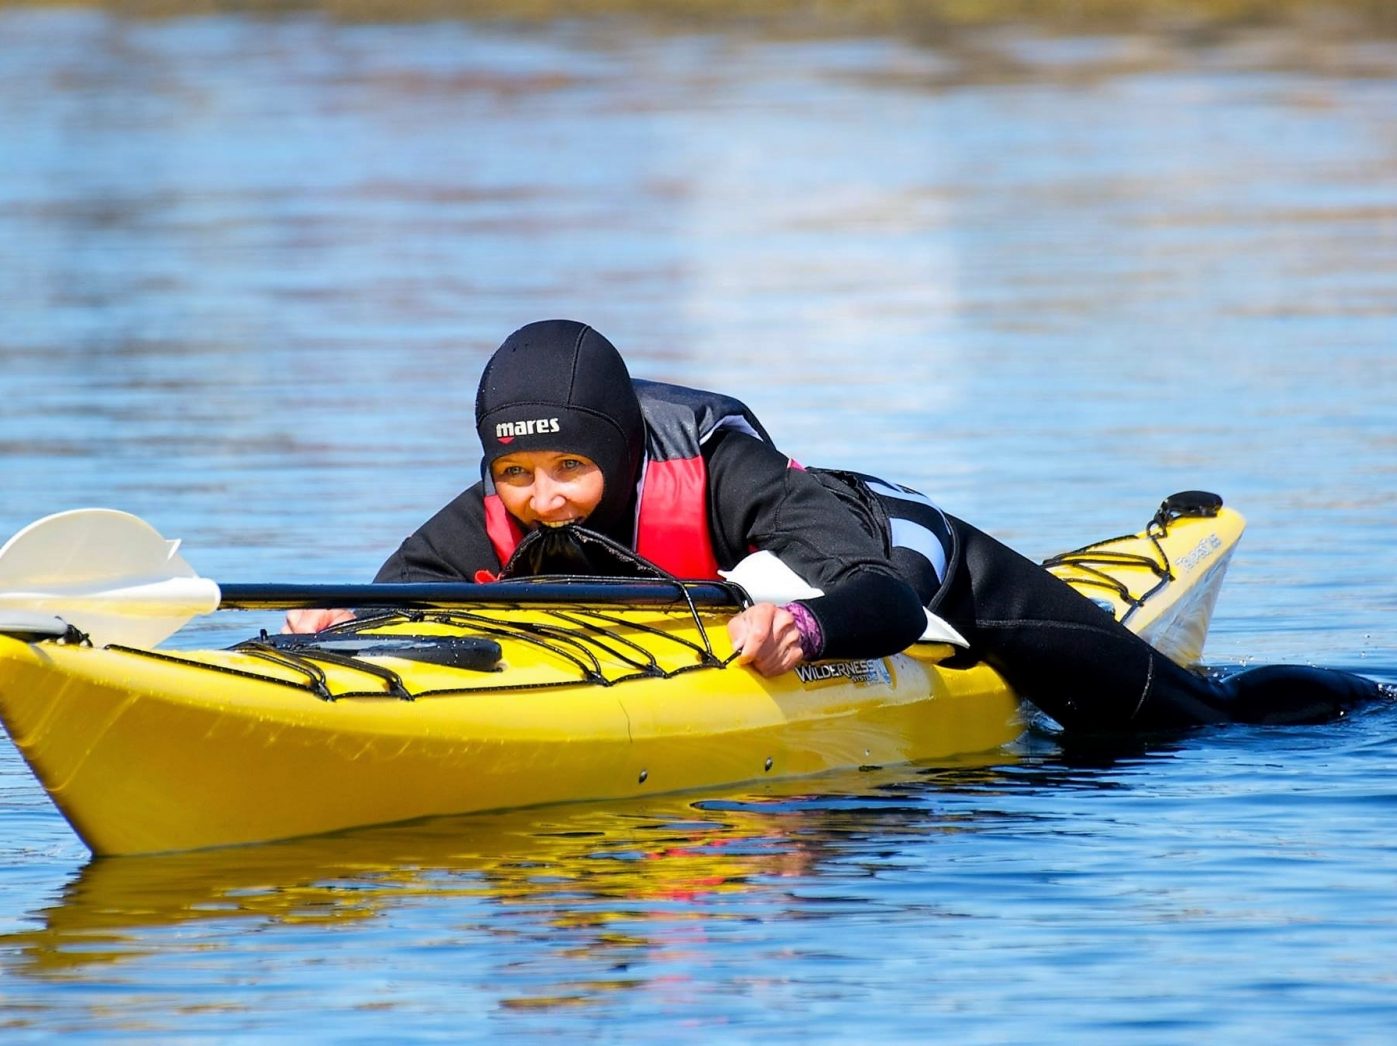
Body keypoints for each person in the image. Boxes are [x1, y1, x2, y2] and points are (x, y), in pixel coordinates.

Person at [286, 319, 1388, 733]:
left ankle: (1346, 691)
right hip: (762, 593)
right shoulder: (493, 505)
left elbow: (883, 595)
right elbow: (402, 593)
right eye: (515, 471)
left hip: (898, 552)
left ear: (618, 453)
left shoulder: (728, 478)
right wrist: (335, 622)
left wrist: (808, 632)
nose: (542, 499)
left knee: (1177, 720)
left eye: (569, 466)